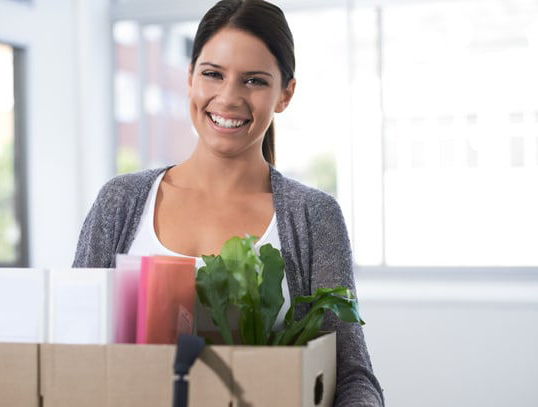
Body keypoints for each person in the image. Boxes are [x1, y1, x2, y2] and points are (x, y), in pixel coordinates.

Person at [72, 0, 385, 405]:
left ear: (285, 94)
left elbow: (352, 375)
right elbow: (73, 349)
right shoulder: (121, 201)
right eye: (212, 74)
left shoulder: (314, 216)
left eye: (253, 80)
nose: (228, 97)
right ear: (189, 77)